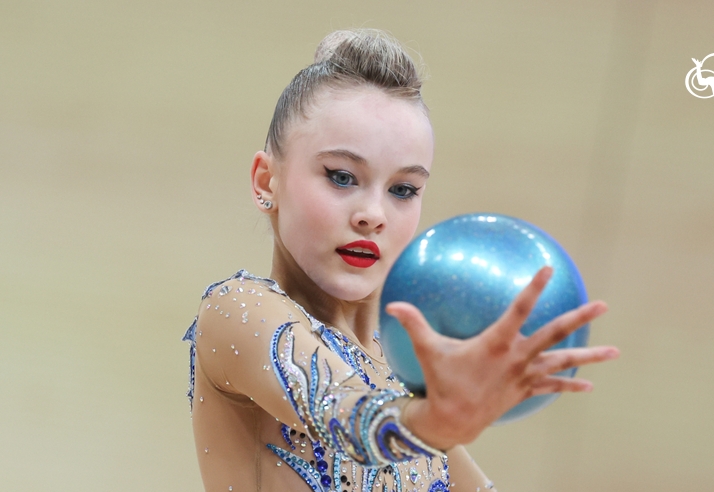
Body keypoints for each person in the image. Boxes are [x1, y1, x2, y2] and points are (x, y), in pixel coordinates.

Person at [183, 29, 619, 492]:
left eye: (402, 189)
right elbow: (344, 414)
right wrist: (432, 420)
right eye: (342, 176)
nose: (373, 215)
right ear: (266, 180)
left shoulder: (399, 372)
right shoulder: (237, 310)